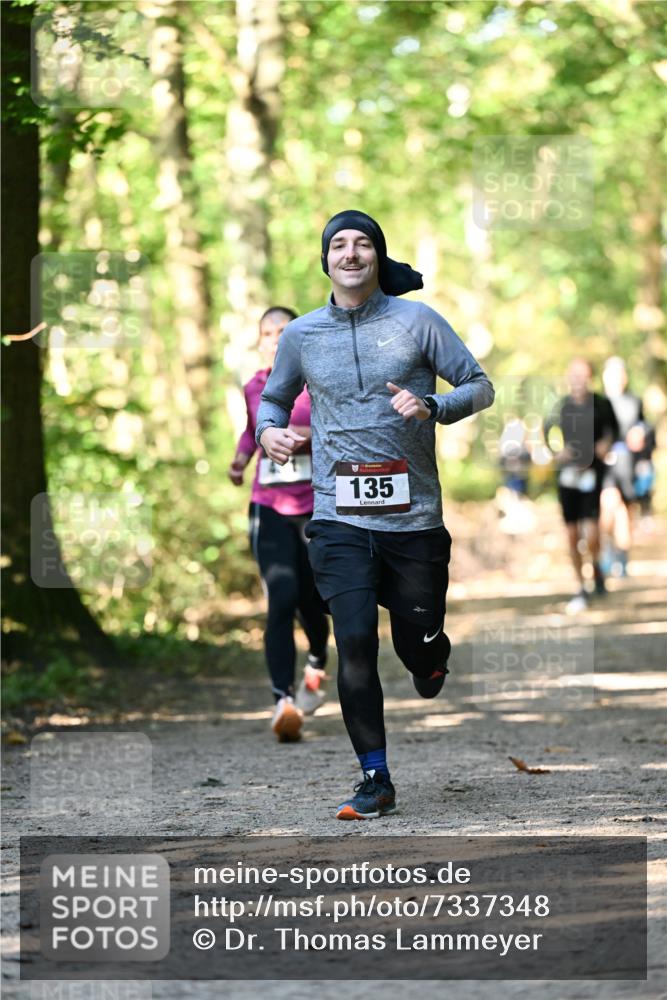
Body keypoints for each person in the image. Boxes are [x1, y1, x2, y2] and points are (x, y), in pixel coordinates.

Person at [255, 210, 494, 819]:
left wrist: (434, 405)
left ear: (377, 256)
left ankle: (431, 653)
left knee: (416, 642)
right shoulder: (302, 335)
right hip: (338, 514)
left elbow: (479, 384)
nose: (351, 253)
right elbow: (275, 398)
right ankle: (375, 778)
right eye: (339, 244)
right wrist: (269, 432)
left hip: (413, 516)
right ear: (326, 260)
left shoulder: (417, 321)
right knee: (354, 639)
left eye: (363, 243)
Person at [228, 306, 330, 742]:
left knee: (313, 599)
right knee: (282, 597)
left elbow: (339, 427)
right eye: (267, 332)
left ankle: (317, 662)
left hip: (317, 507)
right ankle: (282, 702)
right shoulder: (255, 385)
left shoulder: (319, 381)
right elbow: (254, 430)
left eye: (283, 330)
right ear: (260, 341)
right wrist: (240, 458)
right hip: (268, 507)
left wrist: (308, 438)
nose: (274, 337)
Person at [543, 358, 619, 613]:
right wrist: (557, 452)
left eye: (583, 375)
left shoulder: (601, 403)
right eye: (573, 375)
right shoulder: (562, 406)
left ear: (590, 378)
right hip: (568, 476)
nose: (578, 380)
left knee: (593, 534)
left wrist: (605, 445)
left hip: (592, 473)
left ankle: (596, 566)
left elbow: (613, 430)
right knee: (572, 534)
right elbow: (546, 432)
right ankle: (580, 586)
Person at [599, 357, 650, 576]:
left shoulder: (634, 402)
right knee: (609, 504)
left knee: (625, 511)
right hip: (605, 462)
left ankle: (622, 557)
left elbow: (643, 426)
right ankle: (607, 552)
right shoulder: (598, 402)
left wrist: (641, 433)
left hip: (628, 461)